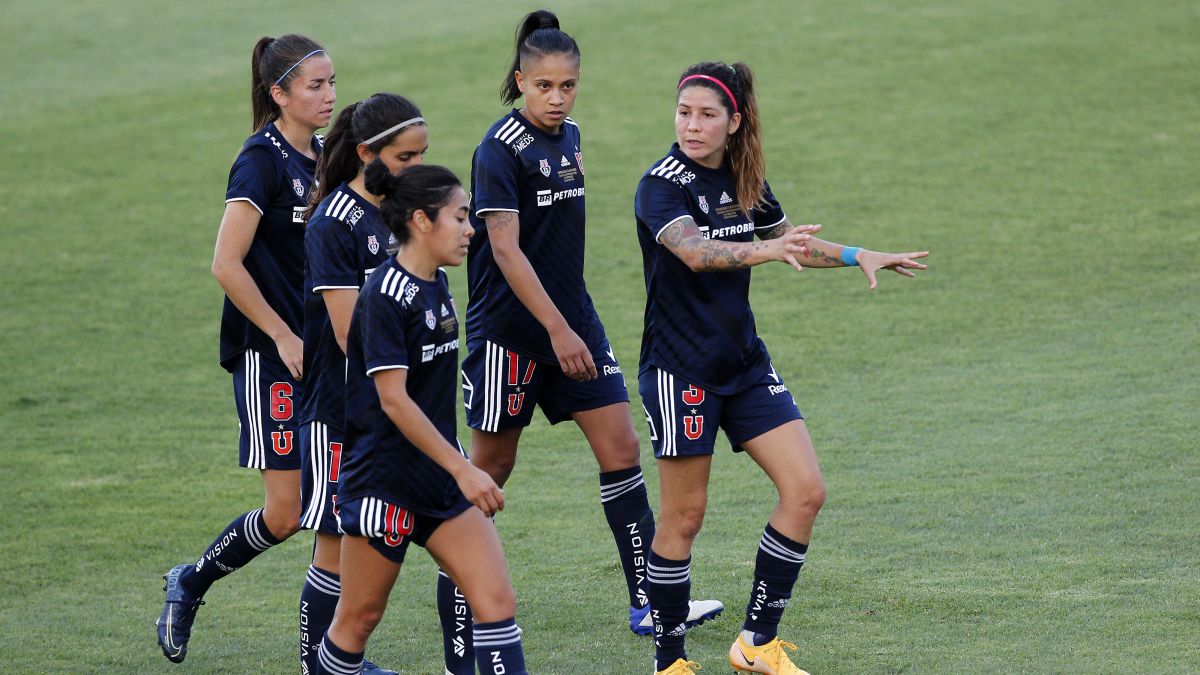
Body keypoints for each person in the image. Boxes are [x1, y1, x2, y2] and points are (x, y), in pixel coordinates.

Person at [635, 62, 928, 675]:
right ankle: (669, 662)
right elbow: (693, 252)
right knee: (684, 517)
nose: (692, 125)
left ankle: (756, 643)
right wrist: (764, 249)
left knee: (806, 491)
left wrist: (856, 255)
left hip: (743, 365)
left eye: (707, 114)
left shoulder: (746, 180)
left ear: (734, 121)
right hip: (680, 372)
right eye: (684, 112)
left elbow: (788, 241)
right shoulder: (660, 185)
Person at [454, 10, 724, 648]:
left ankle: (649, 605)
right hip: (511, 336)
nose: (556, 97)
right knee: (487, 472)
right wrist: (556, 330)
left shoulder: (570, 136)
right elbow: (507, 251)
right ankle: (460, 621)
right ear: (520, 81)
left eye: (567, 85)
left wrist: (571, 325)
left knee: (622, 450)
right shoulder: (497, 151)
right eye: (543, 86)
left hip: (574, 323)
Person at [157, 33, 335, 665]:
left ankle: (328, 656)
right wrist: (284, 335)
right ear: (278, 92)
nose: (329, 96)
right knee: (287, 514)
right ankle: (190, 582)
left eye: (331, 82)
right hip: (270, 356)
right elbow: (226, 265)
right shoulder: (259, 161)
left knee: (333, 507)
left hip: (322, 356)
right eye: (314, 86)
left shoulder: (324, 155)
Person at [312, 163, 529, 675]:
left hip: (438, 483)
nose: (471, 228)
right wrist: (464, 468)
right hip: (383, 485)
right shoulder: (385, 296)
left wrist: (452, 471)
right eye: (459, 217)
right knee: (357, 621)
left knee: (496, 603)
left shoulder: (438, 282)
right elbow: (394, 401)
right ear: (421, 221)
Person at [298, 93, 429, 675]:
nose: (415, 168)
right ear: (366, 153)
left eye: (422, 155)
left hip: (381, 405)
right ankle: (318, 665)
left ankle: (340, 660)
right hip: (340, 409)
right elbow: (351, 332)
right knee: (332, 542)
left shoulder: (398, 213)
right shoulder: (333, 223)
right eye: (405, 158)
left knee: (357, 539)